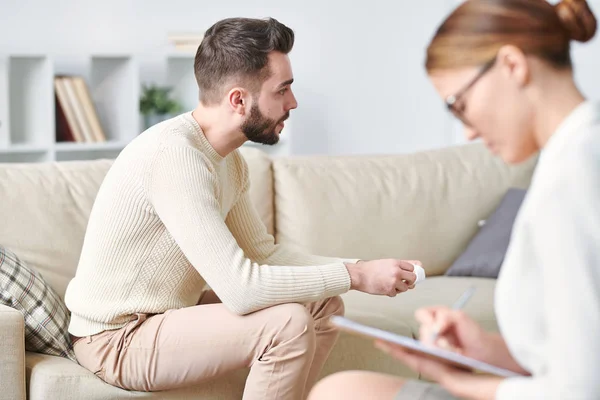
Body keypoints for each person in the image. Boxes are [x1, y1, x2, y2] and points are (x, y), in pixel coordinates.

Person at [63, 17, 421, 400]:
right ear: (238, 100)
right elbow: (241, 290)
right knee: (287, 323)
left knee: (321, 304)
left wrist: (362, 269)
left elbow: (264, 255)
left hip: (164, 317)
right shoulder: (175, 156)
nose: (293, 102)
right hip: (117, 338)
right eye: (282, 90)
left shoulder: (226, 159)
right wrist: (356, 275)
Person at [308, 0, 600, 399]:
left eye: (459, 106)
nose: (467, 133)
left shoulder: (573, 177)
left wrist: (465, 384)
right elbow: (576, 358)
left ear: (513, 65)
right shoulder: (574, 154)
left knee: (341, 393)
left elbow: (580, 390)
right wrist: (486, 352)